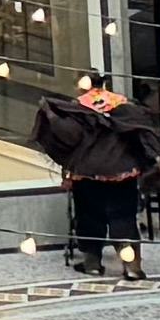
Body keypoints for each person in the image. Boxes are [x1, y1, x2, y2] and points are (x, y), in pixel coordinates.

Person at [40, 66, 146, 273]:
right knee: (123, 216)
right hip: (123, 170)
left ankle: (93, 263)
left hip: (88, 172)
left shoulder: (77, 107)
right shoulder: (121, 102)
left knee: (90, 215)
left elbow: (70, 139)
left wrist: (50, 115)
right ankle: (132, 266)